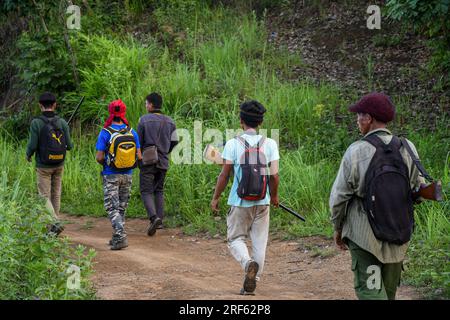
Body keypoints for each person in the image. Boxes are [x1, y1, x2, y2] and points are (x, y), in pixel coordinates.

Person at [329, 92, 425, 300]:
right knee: (388, 294)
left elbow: (339, 197)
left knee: (371, 292)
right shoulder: (408, 148)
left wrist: (338, 227)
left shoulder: (356, 151)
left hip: (364, 236)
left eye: (359, 115)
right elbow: (418, 188)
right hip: (398, 231)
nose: (357, 120)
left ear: (369, 118)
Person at [210, 100, 280, 295]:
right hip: (263, 201)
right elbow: (274, 176)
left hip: (239, 202)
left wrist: (216, 197)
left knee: (235, 239)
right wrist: (274, 196)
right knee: (260, 242)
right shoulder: (270, 144)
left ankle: (247, 263)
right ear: (260, 123)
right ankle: (253, 280)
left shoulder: (233, 144)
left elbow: (224, 175)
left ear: (241, 121)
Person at [95, 99, 141, 250]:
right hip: (128, 174)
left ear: (110, 112)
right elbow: (139, 156)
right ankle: (117, 236)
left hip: (111, 174)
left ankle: (120, 236)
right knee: (121, 207)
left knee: (111, 207)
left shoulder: (105, 132)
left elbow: (99, 157)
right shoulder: (131, 131)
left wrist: (108, 164)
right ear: (123, 112)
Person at [26, 92, 73, 235]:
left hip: (43, 166)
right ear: (54, 105)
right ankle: (53, 227)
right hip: (59, 163)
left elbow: (33, 144)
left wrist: (28, 154)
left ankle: (55, 223)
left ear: (40, 106)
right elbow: (70, 145)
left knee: (43, 196)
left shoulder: (36, 123)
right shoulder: (62, 122)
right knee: (56, 194)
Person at [137, 93, 178, 236]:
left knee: (146, 190)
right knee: (159, 190)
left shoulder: (143, 120)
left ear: (151, 105)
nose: (146, 106)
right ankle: (159, 220)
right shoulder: (170, 122)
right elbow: (175, 141)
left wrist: (139, 158)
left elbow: (139, 142)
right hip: (163, 160)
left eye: (146, 103)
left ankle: (153, 218)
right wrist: (166, 151)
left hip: (147, 160)